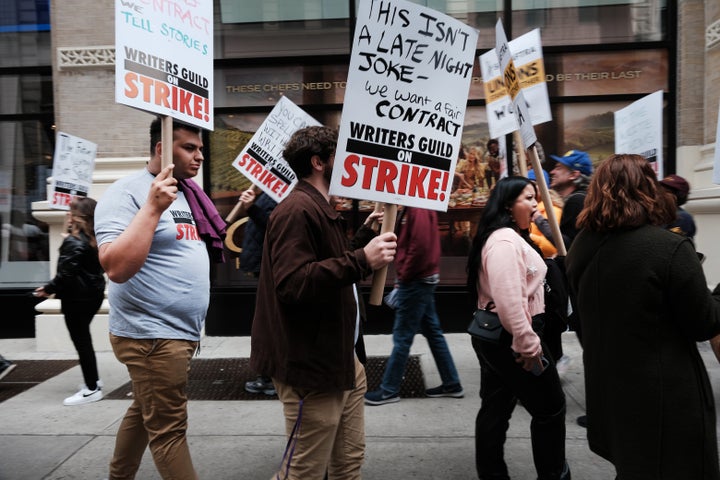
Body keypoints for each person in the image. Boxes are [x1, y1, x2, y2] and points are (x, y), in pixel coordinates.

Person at [250, 125, 397, 480]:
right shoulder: (297, 210)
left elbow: (326, 260)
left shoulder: (317, 207)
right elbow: (293, 282)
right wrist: (362, 260)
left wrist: (363, 238)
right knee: (304, 471)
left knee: (347, 465)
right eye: (339, 156)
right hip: (311, 367)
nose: (348, 163)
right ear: (319, 162)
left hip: (340, 361)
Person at [565, 153, 720, 479]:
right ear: (647, 188)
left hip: (613, 393)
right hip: (663, 400)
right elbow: (704, 322)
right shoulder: (668, 248)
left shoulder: (582, 244)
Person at [95, 116, 226, 480]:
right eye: (189, 148)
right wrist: (152, 207)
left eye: (201, 148)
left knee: (144, 411)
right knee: (169, 431)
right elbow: (115, 267)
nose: (199, 156)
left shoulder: (187, 193)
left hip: (177, 333)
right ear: (161, 148)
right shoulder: (127, 193)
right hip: (151, 335)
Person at [466, 176, 570, 480]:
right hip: (512, 337)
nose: (535, 204)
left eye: (535, 197)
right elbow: (509, 301)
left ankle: (492, 473)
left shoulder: (511, 237)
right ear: (509, 205)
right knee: (550, 409)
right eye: (528, 198)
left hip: (504, 336)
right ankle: (553, 474)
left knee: (496, 408)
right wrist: (528, 346)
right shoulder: (503, 242)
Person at [364, 206, 463, 405]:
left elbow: (420, 247)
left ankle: (389, 389)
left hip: (416, 281)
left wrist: (404, 275)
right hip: (422, 278)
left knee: (402, 337)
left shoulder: (418, 208)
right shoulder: (418, 207)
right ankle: (451, 383)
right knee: (433, 332)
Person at [34, 196, 106, 406]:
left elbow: (66, 274)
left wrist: (47, 289)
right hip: (92, 295)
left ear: (76, 216)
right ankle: (94, 381)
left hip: (77, 298)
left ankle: (92, 388)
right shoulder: (95, 238)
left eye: (70, 211)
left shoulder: (73, 242)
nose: (67, 214)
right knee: (84, 340)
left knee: (82, 342)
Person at [231, 185, 279, 397]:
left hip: (270, 268)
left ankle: (270, 378)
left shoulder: (282, 193)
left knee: (270, 327)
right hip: (264, 267)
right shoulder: (272, 192)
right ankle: (270, 377)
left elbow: (276, 226)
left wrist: (251, 208)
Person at [527, 169, 569, 371]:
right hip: (537, 272)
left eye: (532, 183)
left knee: (549, 321)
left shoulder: (552, 210)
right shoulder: (534, 208)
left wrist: (529, 240)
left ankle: (553, 362)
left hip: (548, 274)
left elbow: (556, 246)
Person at [659, 173, 697, 240]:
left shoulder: (682, 217)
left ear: (680, 195)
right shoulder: (658, 213)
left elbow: (669, 244)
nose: (659, 194)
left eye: (666, 191)